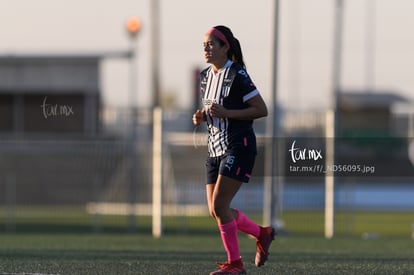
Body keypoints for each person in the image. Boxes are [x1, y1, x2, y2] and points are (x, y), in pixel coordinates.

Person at [192, 25, 276, 275]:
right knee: (217, 210)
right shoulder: (206, 76)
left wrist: (228, 113)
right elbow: (213, 111)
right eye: (204, 45)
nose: (206, 49)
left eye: (211, 44)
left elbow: (261, 109)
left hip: (239, 146)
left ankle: (235, 264)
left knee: (220, 206)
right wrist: (202, 117)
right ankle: (262, 233)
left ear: (225, 47)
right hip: (214, 148)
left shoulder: (237, 74)